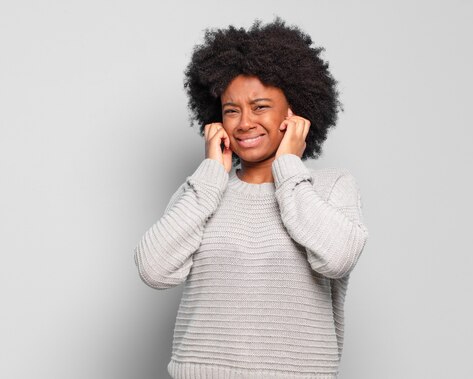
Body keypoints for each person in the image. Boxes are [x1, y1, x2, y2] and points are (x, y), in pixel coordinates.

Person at [134, 18, 369, 379]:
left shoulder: (329, 187)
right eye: (231, 110)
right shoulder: (201, 191)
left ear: (294, 114)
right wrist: (212, 174)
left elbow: (337, 259)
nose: (244, 122)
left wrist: (289, 166)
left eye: (260, 107)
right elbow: (154, 269)